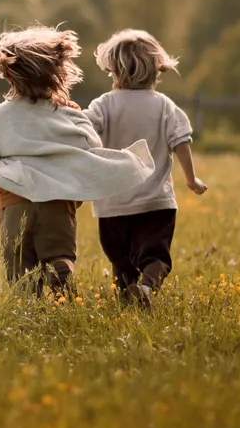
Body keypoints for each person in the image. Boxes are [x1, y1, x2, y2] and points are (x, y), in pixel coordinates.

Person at [0, 26, 153, 296]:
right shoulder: (71, 115)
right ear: (56, 75)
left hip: (15, 202)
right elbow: (90, 153)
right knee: (60, 252)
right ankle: (61, 267)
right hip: (59, 204)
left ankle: (28, 310)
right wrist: (75, 193)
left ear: (9, 76)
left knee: (20, 268)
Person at [87, 29, 207, 306]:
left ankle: (128, 300)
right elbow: (181, 143)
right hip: (156, 203)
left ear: (113, 69)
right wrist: (191, 178)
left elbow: (82, 130)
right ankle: (147, 289)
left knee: (122, 263)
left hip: (112, 205)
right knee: (155, 258)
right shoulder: (165, 106)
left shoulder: (103, 104)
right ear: (156, 68)